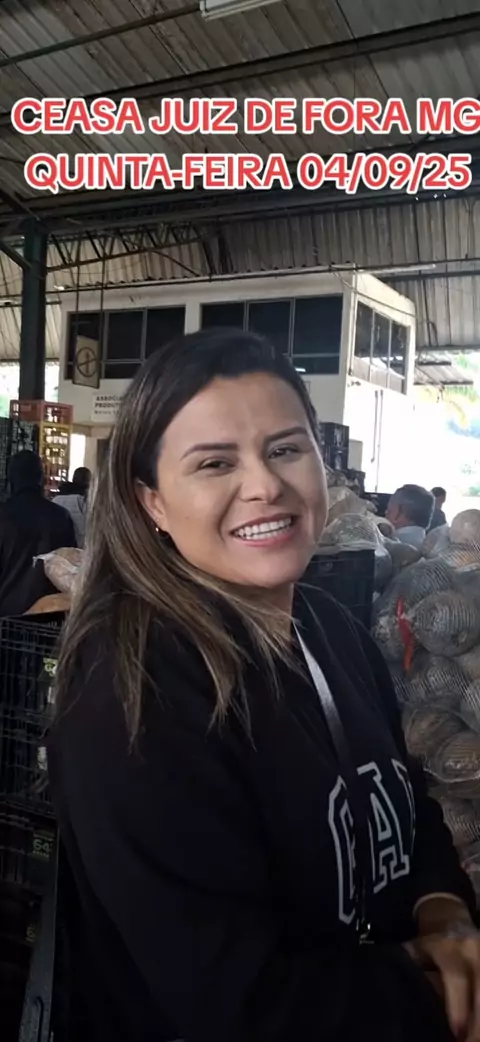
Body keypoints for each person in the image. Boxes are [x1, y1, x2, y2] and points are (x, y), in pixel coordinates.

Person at [48, 330, 479, 1042]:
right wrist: (432, 992)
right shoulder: (132, 697)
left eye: (285, 449)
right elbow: (237, 1002)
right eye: (215, 463)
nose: (264, 486)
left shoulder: (331, 629)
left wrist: (443, 909)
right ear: (152, 503)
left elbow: (405, 803)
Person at [0, 450, 76, 616]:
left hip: (6, 616)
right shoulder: (61, 516)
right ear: (41, 479)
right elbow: (70, 567)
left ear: (11, 480)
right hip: (48, 617)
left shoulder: (3, 515)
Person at [386, 483, 434, 549]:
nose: (386, 514)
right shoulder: (430, 547)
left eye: (389, 511)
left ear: (399, 513)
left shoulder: (386, 546)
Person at [54, 466, 91, 547]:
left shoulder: (56, 499)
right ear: (88, 481)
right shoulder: (83, 500)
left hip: (57, 545)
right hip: (78, 546)